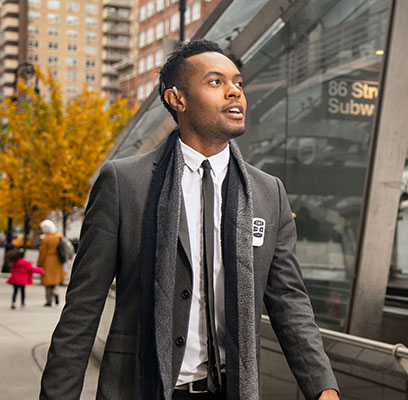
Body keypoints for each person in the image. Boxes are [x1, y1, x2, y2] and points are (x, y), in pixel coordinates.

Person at [40, 40, 339, 400]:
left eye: (238, 83)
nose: (234, 92)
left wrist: (323, 388)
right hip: (141, 388)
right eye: (216, 82)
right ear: (176, 99)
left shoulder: (267, 192)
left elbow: (289, 302)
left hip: (232, 390)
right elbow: (83, 308)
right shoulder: (125, 183)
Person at [37, 219, 65, 307]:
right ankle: (56, 293)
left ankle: (49, 300)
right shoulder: (57, 237)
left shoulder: (45, 239)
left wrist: (39, 264)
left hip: (48, 261)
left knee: (47, 282)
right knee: (55, 280)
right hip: (57, 261)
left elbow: (42, 252)